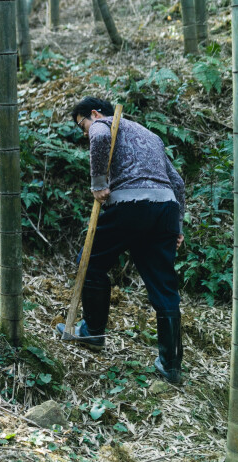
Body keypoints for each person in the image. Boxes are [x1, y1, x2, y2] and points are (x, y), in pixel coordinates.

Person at [57, 97, 186, 384]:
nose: (85, 134)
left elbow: (100, 134)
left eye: (82, 126)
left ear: (93, 113)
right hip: (165, 206)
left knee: (89, 262)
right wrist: (177, 224)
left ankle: (92, 331)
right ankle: (171, 364)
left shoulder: (105, 123)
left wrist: (99, 183)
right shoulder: (150, 135)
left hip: (131, 205)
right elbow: (177, 182)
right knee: (164, 286)